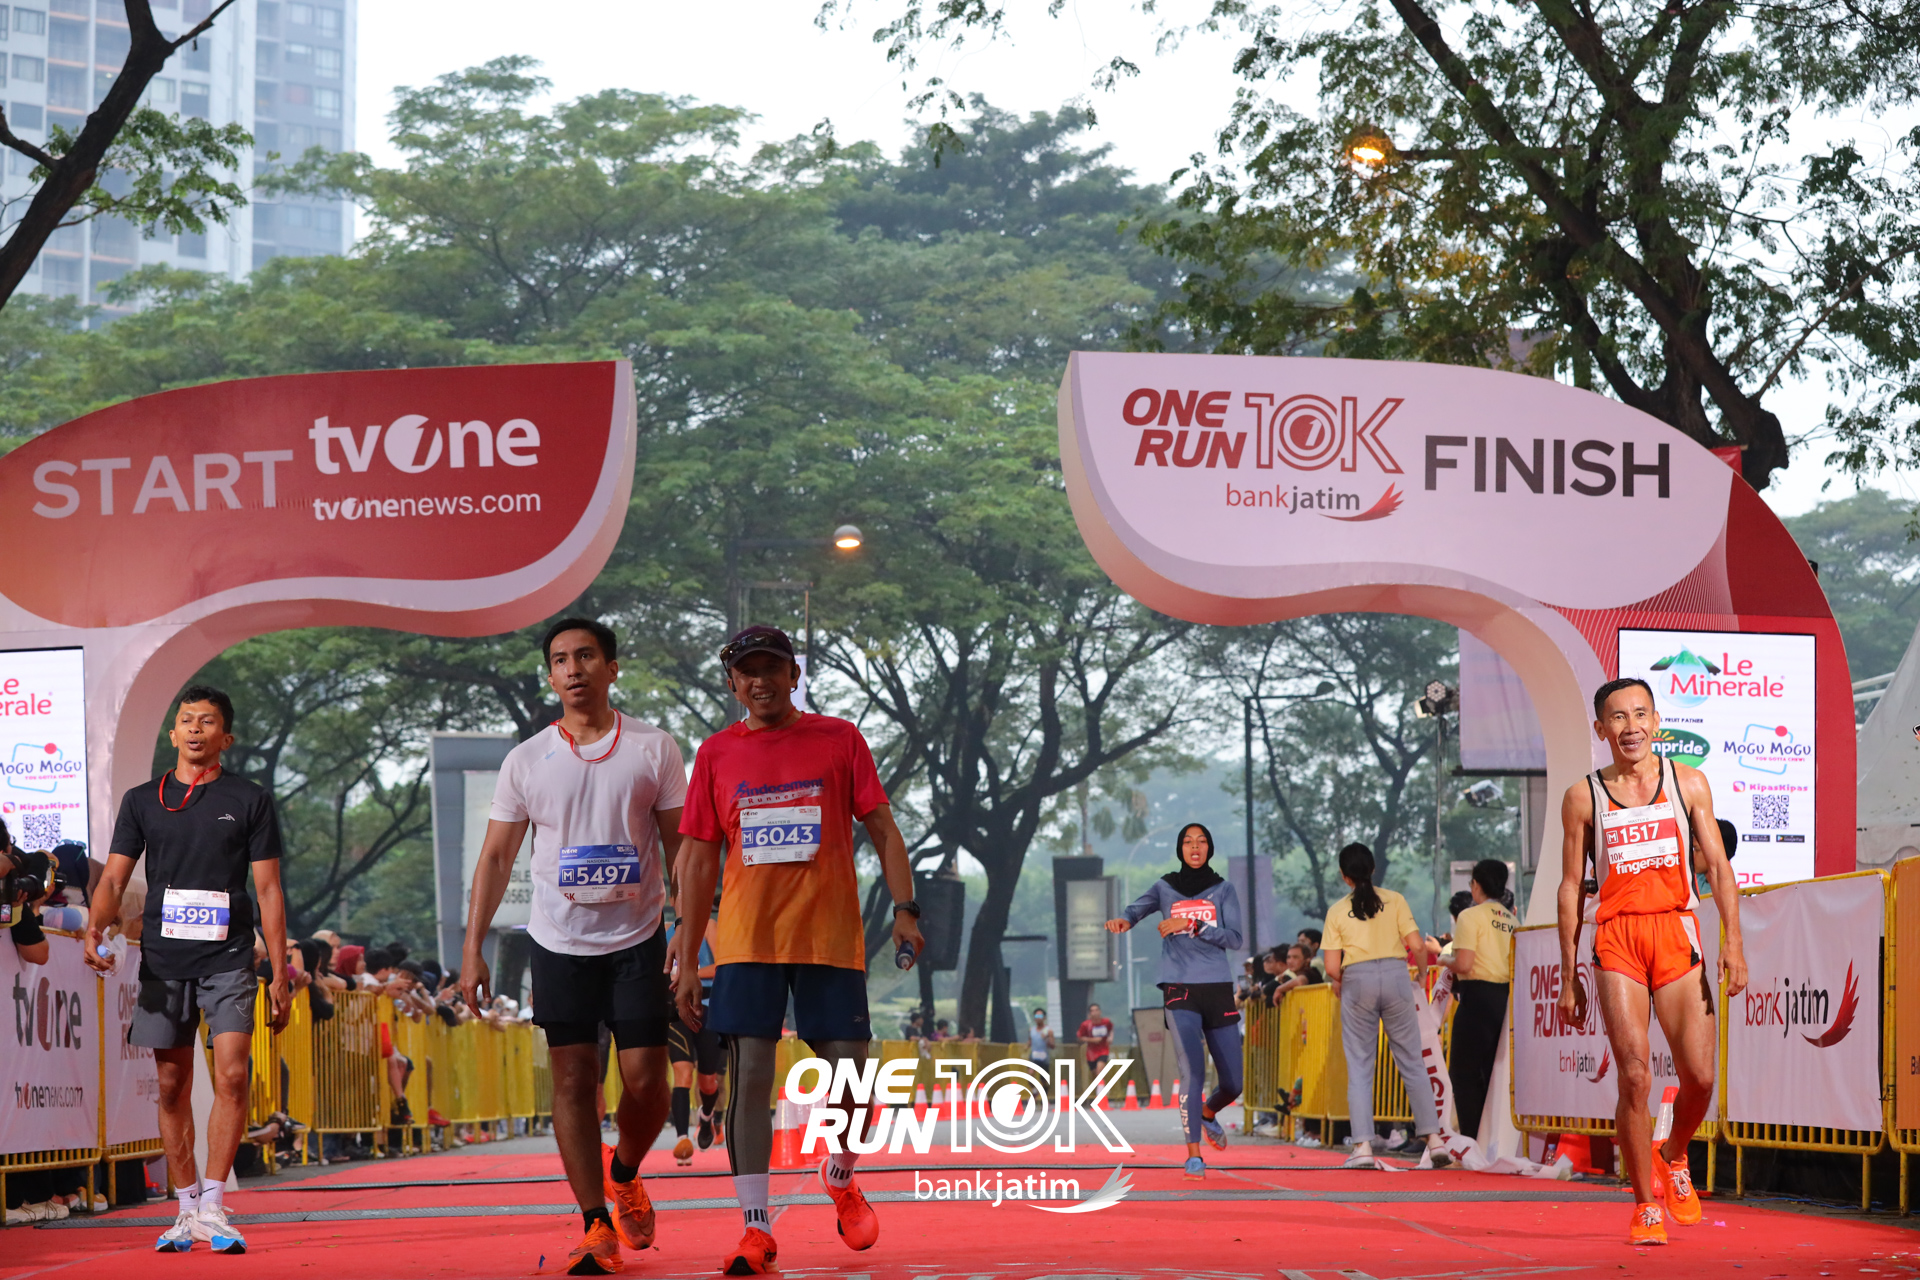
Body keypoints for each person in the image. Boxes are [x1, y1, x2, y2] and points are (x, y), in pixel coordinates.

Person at [671, 625, 922, 1277]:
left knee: (853, 1081)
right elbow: (697, 860)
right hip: (747, 940)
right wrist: (686, 950)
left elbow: (884, 829)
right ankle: (755, 1229)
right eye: (748, 671)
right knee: (751, 1074)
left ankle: (840, 1173)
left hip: (828, 938)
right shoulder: (716, 754)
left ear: (793, 675)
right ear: (733, 683)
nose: (761, 681)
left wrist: (906, 909)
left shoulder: (839, 739)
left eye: (772, 668)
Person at [462, 617, 688, 1276]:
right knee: (573, 1079)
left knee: (645, 1082)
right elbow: (496, 857)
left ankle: (625, 1172)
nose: (573, 668)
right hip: (558, 941)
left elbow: (681, 848)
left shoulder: (653, 748)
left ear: (611, 668)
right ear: (551, 675)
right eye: (560, 659)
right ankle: (595, 1222)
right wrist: (473, 948)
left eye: (586, 656)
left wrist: (692, 929)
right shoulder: (526, 759)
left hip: (638, 937)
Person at [84, 684, 293, 1254]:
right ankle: (184, 1209)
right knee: (172, 1084)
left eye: (207, 721)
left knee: (232, 1075)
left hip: (229, 957)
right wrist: (95, 927)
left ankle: (215, 1206)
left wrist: (280, 971)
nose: (196, 729)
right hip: (163, 959)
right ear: (173, 733)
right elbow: (114, 878)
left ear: (226, 737)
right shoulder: (142, 800)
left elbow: (268, 890)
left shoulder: (249, 798)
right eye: (187, 720)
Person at [1558, 678, 1745, 1247]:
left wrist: (1733, 942)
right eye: (1618, 717)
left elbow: (1719, 866)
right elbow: (1570, 886)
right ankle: (1644, 1205)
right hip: (1617, 937)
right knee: (1635, 1075)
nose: (1631, 726)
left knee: (1701, 1078)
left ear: (1657, 721)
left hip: (1676, 931)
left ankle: (1675, 1152)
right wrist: (1568, 975)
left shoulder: (1688, 783)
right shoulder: (1583, 796)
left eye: (1640, 714)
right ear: (1601, 729)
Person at [1106, 822, 1244, 1181]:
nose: (1194, 847)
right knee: (1192, 1071)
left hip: (1217, 987)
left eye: (1201, 842)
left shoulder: (1224, 889)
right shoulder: (1165, 887)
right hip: (1179, 987)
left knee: (1233, 1083)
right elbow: (1136, 909)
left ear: (1209, 848)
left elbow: (1235, 939)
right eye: (1188, 842)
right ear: (1180, 849)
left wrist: (1192, 925)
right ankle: (1194, 1156)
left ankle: (1209, 1113)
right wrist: (1123, 920)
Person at [1322, 842, 1450, 1170]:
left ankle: (1363, 1146)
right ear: (1373, 869)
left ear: (1344, 876)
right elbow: (1417, 945)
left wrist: (1348, 979)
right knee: (1412, 1061)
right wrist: (1420, 974)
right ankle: (1434, 1139)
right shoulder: (1395, 900)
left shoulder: (1337, 911)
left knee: (1360, 1066)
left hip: (1357, 980)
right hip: (1396, 977)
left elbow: (1332, 967)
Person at [1445, 859, 1518, 1141]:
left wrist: (1444, 960)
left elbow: (1464, 964)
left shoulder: (1469, 916)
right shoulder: (1512, 920)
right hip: (1506, 1001)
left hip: (1476, 999)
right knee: (1491, 1074)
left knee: (1463, 1073)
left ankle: (1471, 1141)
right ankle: (1490, 1141)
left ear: (1476, 885)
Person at [666, 909, 724, 1167]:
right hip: (676, 1010)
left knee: (708, 1082)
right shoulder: (665, 930)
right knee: (682, 1073)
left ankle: (707, 1116)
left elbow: (722, 965)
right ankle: (682, 1140)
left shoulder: (708, 925)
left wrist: (689, 974)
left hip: (706, 1008)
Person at [1078, 1002, 1114, 1074]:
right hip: (1091, 1053)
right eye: (1093, 1011)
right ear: (1089, 1014)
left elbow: (1111, 1029)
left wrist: (1110, 1037)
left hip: (1103, 1050)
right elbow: (1080, 1037)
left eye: (1097, 1010)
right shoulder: (1086, 1025)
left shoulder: (1106, 1022)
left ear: (1100, 1012)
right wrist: (1092, 1040)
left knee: (1099, 1072)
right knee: (1095, 1075)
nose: (1095, 1013)